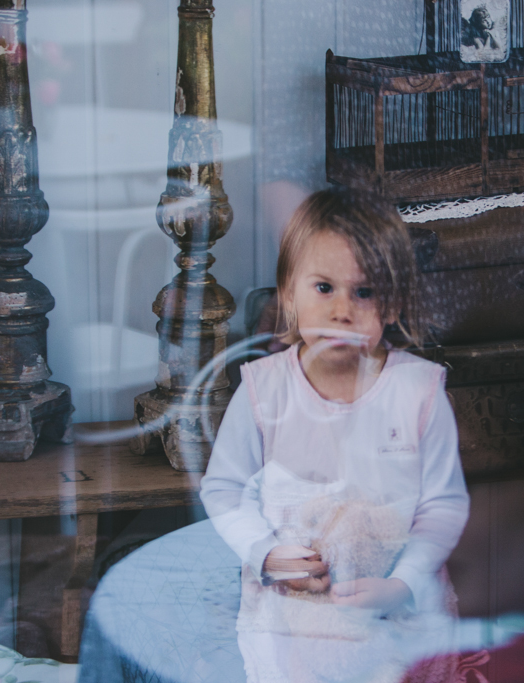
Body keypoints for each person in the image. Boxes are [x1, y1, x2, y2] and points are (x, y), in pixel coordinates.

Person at [200, 187, 470, 683]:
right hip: (294, 631)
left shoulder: (418, 392)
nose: (342, 309)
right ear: (288, 294)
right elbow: (223, 490)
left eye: (363, 292)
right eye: (323, 288)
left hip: (400, 624)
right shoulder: (264, 392)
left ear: (392, 304)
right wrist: (265, 554)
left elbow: (443, 505)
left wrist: (403, 584)